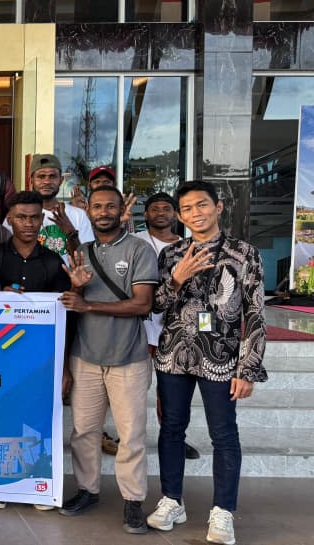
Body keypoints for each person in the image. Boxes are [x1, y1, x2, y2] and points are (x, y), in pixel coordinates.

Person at [145, 181, 268, 545]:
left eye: (201, 205)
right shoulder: (171, 254)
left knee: (224, 434)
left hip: (221, 358)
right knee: (171, 429)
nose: (195, 213)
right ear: (180, 216)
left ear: (218, 207)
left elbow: (255, 313)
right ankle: (172, 500)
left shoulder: (244, 253)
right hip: (174, 355)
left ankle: (223, 511)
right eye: (187, 209)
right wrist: (177, 279)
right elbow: (154, 305)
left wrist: (248, 368)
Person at [58, 186, 158, 535]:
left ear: (121, 211)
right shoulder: (82, 252)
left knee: (131, 434)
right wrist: (78, 289)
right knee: (84, 431)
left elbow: (142, 304)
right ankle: (88, 490)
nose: (103, 212)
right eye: (97, 206)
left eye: (110, 206)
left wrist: (88, 304)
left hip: (128, 357)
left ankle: (133, 500)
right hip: (85, 356)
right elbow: (73, 302)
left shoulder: (139, 249)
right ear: (88, 211)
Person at [0, 189, 71, 511]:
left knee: (37, 417)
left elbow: (66, 315)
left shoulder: (52, 261)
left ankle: (37, 485)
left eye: (35, 217)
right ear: (9, 219)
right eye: (22, 217)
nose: (29, 223)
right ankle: (0, 482)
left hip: (40, 355)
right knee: (1, 414)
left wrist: (64, 365)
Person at [135, 193, 200, 462]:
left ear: (176, 215)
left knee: (170, 392)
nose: (160, 213)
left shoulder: (189, 247)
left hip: (174, 330)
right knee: (132, 389)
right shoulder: (135, 241)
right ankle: (128, 436)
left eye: (166, 208)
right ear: (145, 214)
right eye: (154, 209)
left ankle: (174, 438)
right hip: (138, 328)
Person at [11, 154, 93, 258]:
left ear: (61, 180)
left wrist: (71, 233)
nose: (47, 182)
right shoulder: (17, 215)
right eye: (41, 177)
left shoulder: (78, 215)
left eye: (52, 176)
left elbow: (88, 257)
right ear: (31, 180)